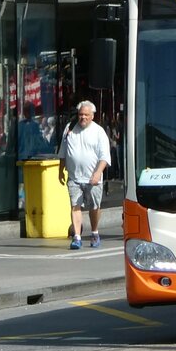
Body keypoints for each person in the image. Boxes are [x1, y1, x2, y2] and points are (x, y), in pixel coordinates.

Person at [58, 100, 112, 250]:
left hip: (93, 178)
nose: (83, 117)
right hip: (74, 177)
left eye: (86, 115)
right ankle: (77, 236)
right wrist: (60, 170)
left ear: (92, 116)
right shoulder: (70, 129)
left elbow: (105, 157)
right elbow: (63, 152)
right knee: (75, 206)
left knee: (94, 207)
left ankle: (94, 232)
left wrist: (98, 173)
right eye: (81, 114)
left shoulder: (99, 132)